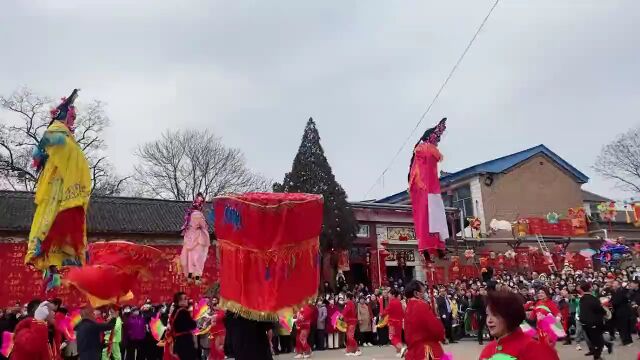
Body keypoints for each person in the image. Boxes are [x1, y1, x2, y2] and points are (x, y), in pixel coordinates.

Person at [26, 89, 91, 287]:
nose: (73, 121)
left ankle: (54, 267)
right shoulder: (56, 131)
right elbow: (45, 146)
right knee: (51, 220)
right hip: (56, 184)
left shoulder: (66, 136)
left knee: (61, 222)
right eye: (71, 116)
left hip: (63, 184)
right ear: (63, 116)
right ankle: (49, 266)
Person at [478, 290, 559, 360]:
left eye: (495, 315)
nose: (489, 320)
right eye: (487, 314)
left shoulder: (535, 347)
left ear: (510, 315)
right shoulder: (488, 350)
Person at [403, 280, 445, 360]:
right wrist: (441, 335)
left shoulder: (408, 307)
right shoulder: (421, 305)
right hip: (427, 349)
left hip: (413, 350)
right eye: (424, 291)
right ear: (416, 293)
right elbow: (434, 328)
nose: (425, 294)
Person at [179, 193, 210, 284]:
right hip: (198, 238)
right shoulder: (198, 215)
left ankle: (189, 277)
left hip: (189, 238)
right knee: (198, 258)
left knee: (190, 258)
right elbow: (204, 226)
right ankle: (197, 278)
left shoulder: (189, 214)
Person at [579, 282, 612, 360]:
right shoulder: (593, 299)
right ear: (590, 288)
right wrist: (605, 312)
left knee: (594, 340)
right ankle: (597, 357)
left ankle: (603, 348)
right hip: (593, 323)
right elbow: (600, 310)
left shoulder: (582, 299)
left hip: (584, 323)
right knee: (598, 342)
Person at [165, 292, 197, 360]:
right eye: (185, 299)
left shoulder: (174, 311)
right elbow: (191, 325)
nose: (187, 300)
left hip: (177, 341)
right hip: (185, 342)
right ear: (179, 301)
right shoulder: (183, 311)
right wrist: (194, 321)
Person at [381, 288, 405, 356]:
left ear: (393, 295)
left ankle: (401, 348)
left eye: (389, 294)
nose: (388, 295)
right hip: (399, 322)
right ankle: (399, 352)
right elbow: (402, 314)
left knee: (392, 338)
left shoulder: (392, 302)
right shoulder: (399, 302)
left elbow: (386, 311)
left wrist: (382, 314)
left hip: (393, 323)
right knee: (398, 337)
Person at [610, 280, 634, 346]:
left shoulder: (620, 292)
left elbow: (616, 302)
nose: (613, 285)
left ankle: (626, 340)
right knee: (624, 326)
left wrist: (610, 303)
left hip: (622, 311)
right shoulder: (616, 292)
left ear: (618, 285)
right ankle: (628, 340)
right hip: (622, 311)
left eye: (614, 283)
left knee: (623, 327)